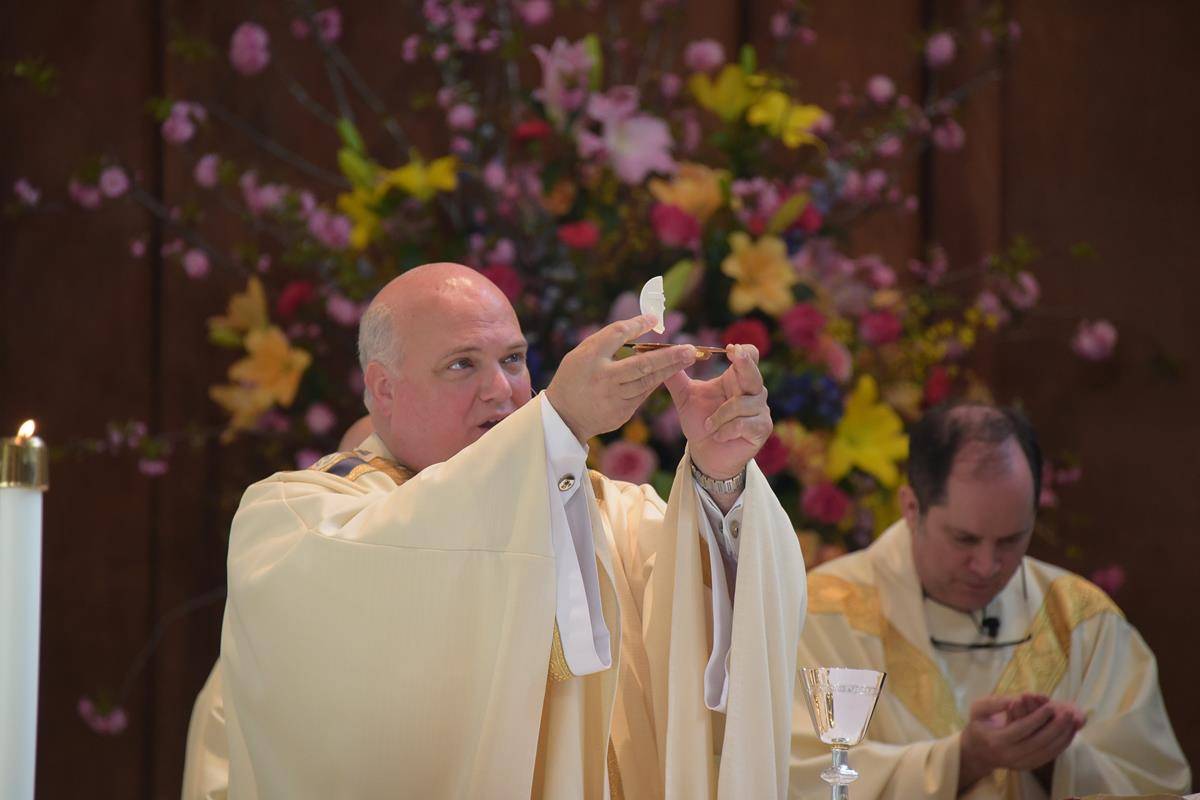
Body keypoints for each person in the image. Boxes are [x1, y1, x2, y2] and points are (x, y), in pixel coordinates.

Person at [182, 262, 805, 799]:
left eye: (513, 359)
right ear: (383, 390)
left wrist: (720, 477)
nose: (502, 390)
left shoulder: (604, 512)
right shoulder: (293, 519)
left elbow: (713, 624)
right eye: (461, 365)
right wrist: (556, 424)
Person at [790, 403, 1190, 798]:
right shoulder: (822, 613)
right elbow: (792, 776)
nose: (986, 566)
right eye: (965, 539)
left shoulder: (1084, 621)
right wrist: (962, 760)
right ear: (912, 508)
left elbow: (1155, 785)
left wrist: (1052, 756)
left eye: (1012, 539)